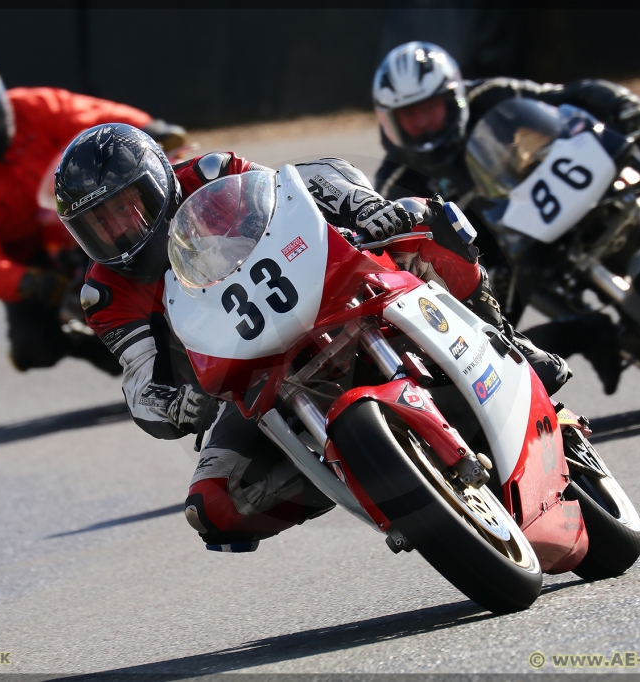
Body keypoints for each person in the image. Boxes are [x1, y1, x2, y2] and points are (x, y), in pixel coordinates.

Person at [55, 123, 571, 552]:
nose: (119, 230)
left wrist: (364, 212)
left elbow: (294, 196)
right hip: (251, 377)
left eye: (126, 207)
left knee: (425, 223)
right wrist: (170, 405)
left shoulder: (212, 175)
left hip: (333, 298)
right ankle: (383, 485)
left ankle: (506, 340)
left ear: (159, 182)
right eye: (98, 224)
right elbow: (140, 377)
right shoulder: (106, 294)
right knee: (212, 507)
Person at [371, 42, 640, 394]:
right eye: (410, 115)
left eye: (428, 108)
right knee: (490, 337)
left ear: (452, 98)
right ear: (391, 120)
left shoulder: (488, 96)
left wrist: (621, 107)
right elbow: (411, 253)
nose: (421, 122)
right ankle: (584, 333)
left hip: (557, 190)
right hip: (503, 253)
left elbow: (568, 97)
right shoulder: (396, 179)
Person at [0, 56, 187, 375]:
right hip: (33, 259)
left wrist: (143, 130)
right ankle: (91, 342)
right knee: (33, 347)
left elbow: (93, 116)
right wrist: (29, 282)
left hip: (83, 221)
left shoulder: (32, 106)